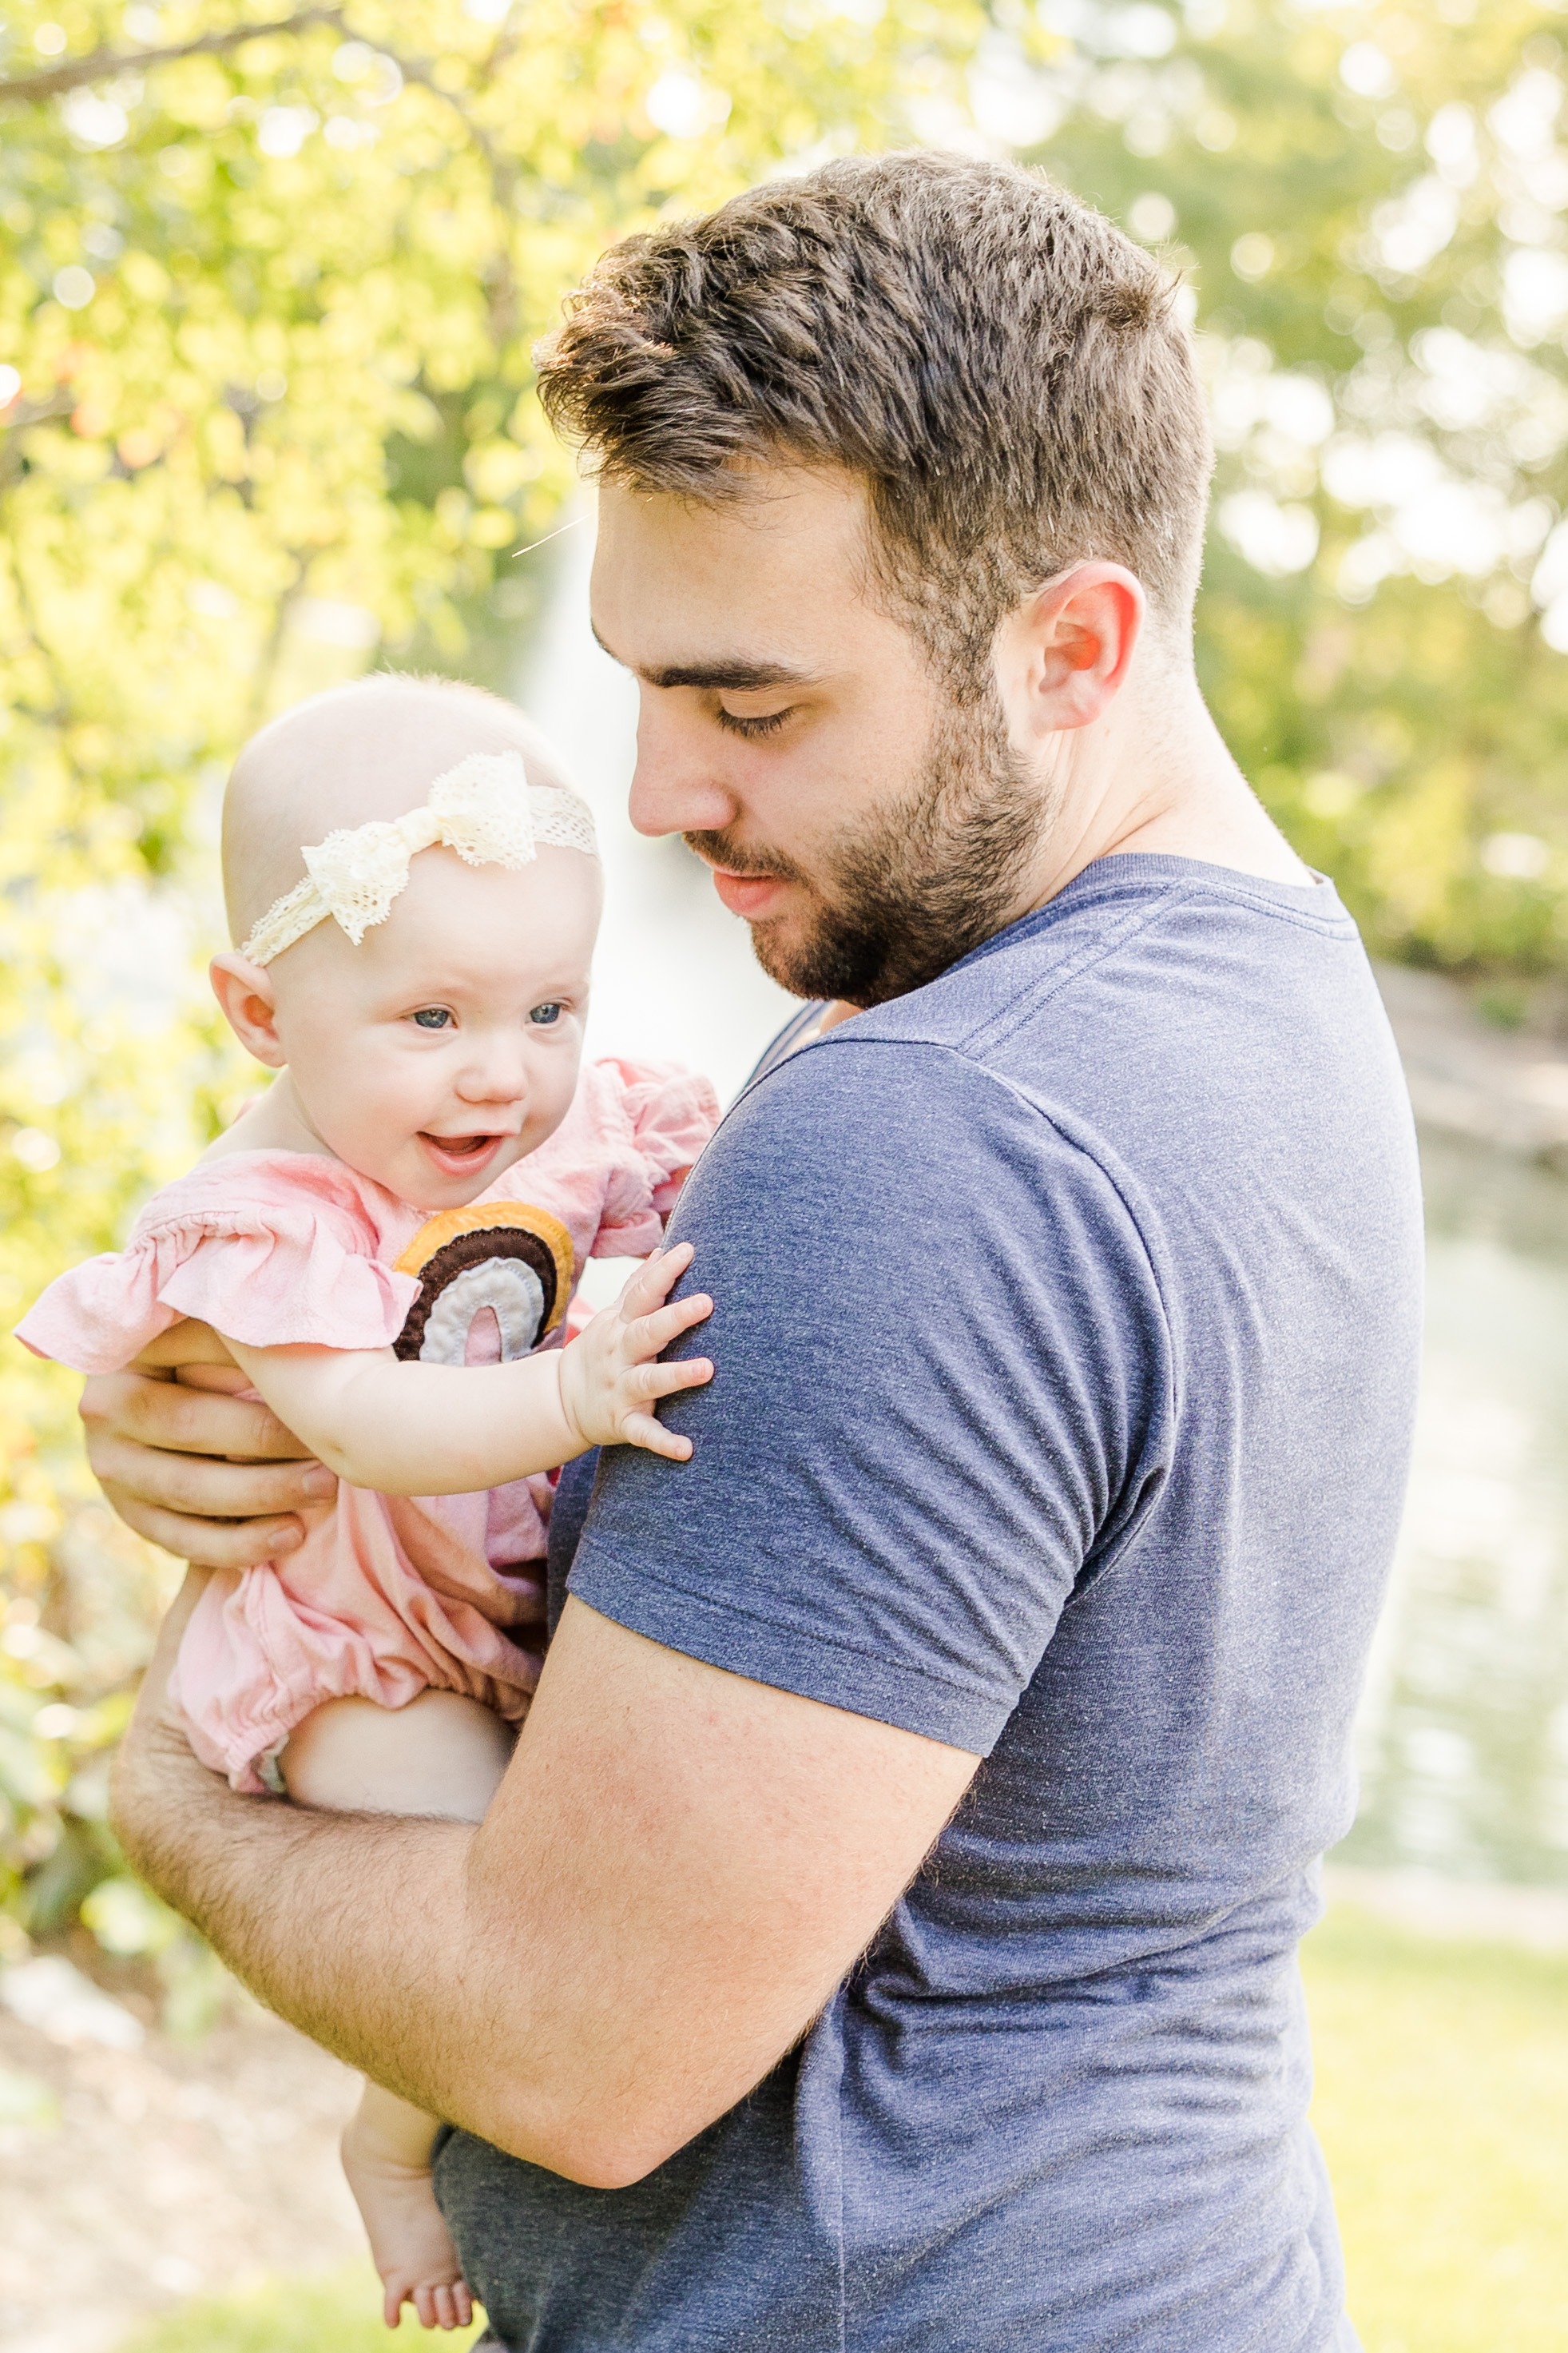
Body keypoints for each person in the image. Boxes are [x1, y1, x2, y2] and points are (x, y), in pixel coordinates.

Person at [97, 153, 1423, 2351]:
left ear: (1070, 644)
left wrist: (170, 1771)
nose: (650, 792)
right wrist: (269, 1415)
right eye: (636, 685)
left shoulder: (931, 1126)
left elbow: (566, 2045)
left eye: (751, 704)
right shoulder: (1265, 1003)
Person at [21, 675, 718, 2330]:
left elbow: (683, 1203)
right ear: (260, 1015)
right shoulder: (262, 1219)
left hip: (482, 1602)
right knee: (490, 1879)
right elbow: (362, 1419)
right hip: (350, 1646)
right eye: (434, 1020)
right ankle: (391, 2146)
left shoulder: (551, 1130)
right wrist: (570, 1393)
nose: (504, 1078)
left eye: (553, 1008)